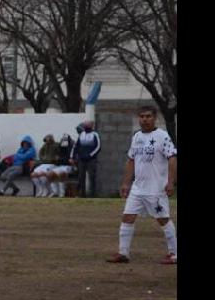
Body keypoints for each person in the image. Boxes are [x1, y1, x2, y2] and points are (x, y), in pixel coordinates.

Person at [107, 106, 178, 264]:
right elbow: (131, 160)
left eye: (148, 116)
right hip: (138, 189)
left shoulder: (162, 136)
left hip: (156, 189)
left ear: (155, 118)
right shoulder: (137, 136)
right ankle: (123, 253)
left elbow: (172, 158)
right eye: (142, 116)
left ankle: (174, 254)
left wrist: (170, 181)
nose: (144, 119)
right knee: (127, 218)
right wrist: (126, 183)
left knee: (163, 219)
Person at [71, 120, 101, 197]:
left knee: (92, 177)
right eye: (85, 125)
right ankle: (82, 194)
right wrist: (72, 156)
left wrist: (91, 155)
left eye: (87, 125)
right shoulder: (81, 134)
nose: (86, 126)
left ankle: (92, 195)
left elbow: (98, 147)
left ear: (91, 126)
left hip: (91, 160)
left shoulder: (95, 134)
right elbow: (76, 146)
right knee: (81, 177)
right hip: (81, 160)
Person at [47, 133, 76, 197]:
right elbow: (57, 159)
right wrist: (56, 160)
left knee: (61, 173)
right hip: (60, 165)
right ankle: (55, 192)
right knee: (49, 173)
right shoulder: (60, 147)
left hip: (69, 166)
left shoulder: (72, 148)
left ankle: (62, 193)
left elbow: (69, 159)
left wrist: (60, 159)